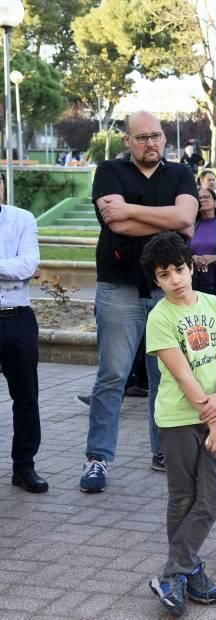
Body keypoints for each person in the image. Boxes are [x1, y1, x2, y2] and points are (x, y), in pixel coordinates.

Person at [79, 111, 198, 493]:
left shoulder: (180, 174)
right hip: (119, 289)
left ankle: (162, 450)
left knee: (166, 375)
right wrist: (169, 221)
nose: (152, 143)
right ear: (127, 141)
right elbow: (116, 225)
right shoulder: (109, 171)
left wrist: (130, 209)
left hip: (168, 292)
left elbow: (187, 219)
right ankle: (98, 458)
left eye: (158, 136)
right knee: (112, 375)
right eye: (143, 137)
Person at [141, 233, 216, 616]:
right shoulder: (159, 317)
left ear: (190, 266)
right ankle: (187, 572)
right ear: (157, 281)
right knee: (183, 498)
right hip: (179, 419)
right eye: (165, 275)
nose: (176, 279)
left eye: (179, 269)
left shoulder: (214, 305)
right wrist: (214, 419)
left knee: (213, 496)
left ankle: (173, 571)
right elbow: (182, 375)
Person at [0, 175, 48, 493]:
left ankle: (24, 466)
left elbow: (29, 263)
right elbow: (16, 266)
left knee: (26, 397)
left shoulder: (22, 218)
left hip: (16, 319)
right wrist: (10, 267)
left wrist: (19, 267)